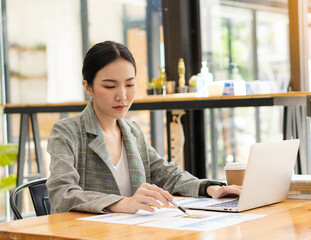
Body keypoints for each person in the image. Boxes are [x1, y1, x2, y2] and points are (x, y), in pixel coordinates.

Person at [46, 41, 241, 214]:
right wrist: (124, 203)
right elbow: (62, 194)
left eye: (129, 84)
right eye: (110, 86)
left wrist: (209, 188)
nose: (122, 96)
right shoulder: (66, 132)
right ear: (88, 87)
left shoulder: (132, 131)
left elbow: (167, 175)